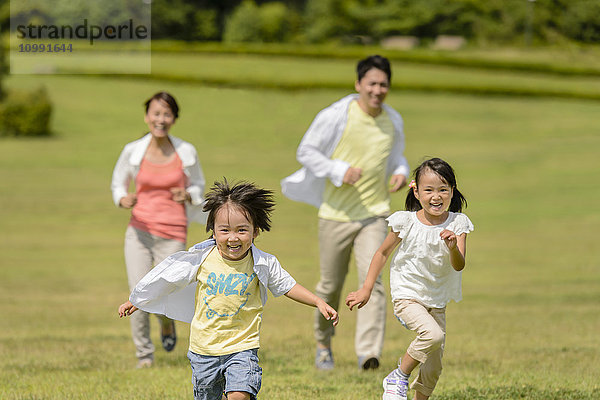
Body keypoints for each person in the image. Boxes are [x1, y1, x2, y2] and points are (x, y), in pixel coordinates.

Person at [118, 179, 339, 400]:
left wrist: (318, 302)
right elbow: (167, 278)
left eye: (242, 230)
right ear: (213, 232)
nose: (233, 238)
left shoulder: (262, 263)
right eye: (225, 230)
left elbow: (288, 285)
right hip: (204, 350)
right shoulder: (201, 260)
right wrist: (137, 300)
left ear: (255, 232)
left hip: (243, 346)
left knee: (239, 395)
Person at [280, 55, 409, 370]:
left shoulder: (393, 120)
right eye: (372, 84)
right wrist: (338, 170)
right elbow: (306, 151)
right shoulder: (337, 114)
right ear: (358, 85)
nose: (378, 90)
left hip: (375, 214)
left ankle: (368, 354)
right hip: (335, 215)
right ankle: (323, 344)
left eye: (383, 84)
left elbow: (397, 156)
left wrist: (402, 172)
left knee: (372, 281)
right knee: (330, 286)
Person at [345, 157, 474, 400]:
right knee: (432, 336)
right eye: (429, 190)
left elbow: (459, 266)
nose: (436, 197)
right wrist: (366, 289)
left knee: (434, 367)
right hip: (408, 295)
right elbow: (382, 253)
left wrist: (452, 247)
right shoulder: (406, 221)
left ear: (452, 191)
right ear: (416, 191)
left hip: (437, 300)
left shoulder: (458, 224)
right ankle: (398, 376)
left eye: (443, 190)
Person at [111, 91, 206, 369]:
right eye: (156, 113)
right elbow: (118, 182)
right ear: (147, 116)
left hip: (173, 233)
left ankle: (166, 324)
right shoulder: (133, 150)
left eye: (166, 114)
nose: (160, 119)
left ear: (174, 119)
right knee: (137, 291)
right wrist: (122, 198)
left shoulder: (186, 152)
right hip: (139, 231)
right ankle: (145, 357)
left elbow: (199, 185)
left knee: (165, 292)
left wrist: (188, 194)